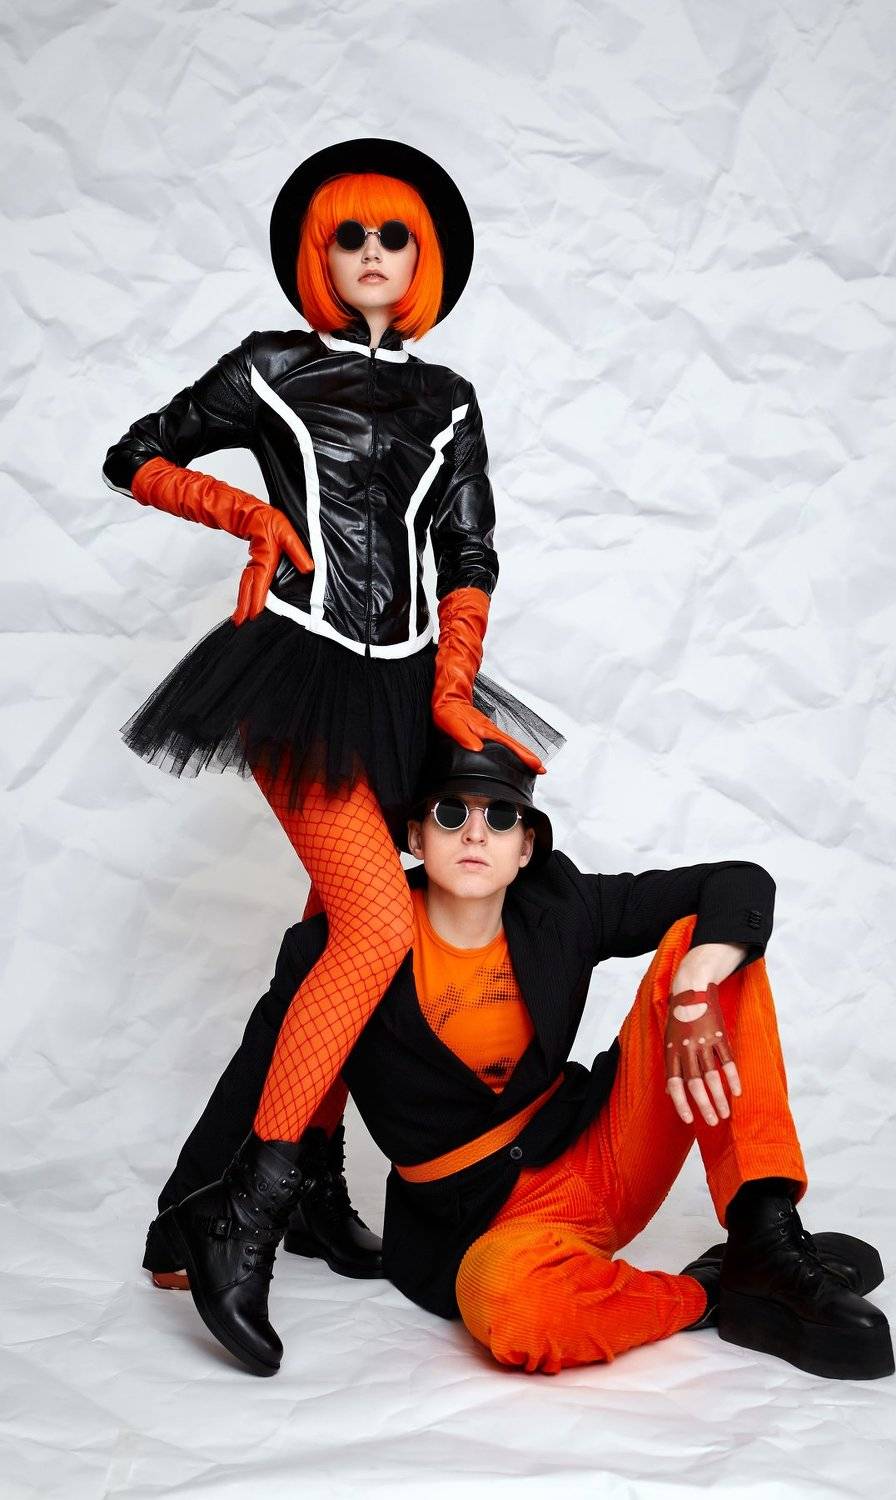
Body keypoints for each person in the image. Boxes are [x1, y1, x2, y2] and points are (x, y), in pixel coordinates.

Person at [103, 139, 564, 1278]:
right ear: (320, 252)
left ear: (422, 258)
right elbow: (135, 454)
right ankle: (239, 1218)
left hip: (407, 687)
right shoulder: (271, 368)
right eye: (348, 234)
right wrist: (248, 517)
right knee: (374, 928)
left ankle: (292, 1184)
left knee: (323, 947)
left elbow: (468, 551)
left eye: (392, 235)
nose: (370, 252)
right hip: (293, 671)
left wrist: (451, 683)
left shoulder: (448, 400)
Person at [146, 737, 893, 1381]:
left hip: (602, 1153)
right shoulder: (346, 950)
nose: (476, 833)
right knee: (510, 1307)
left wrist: (695, 983)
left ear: (525, 847)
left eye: (500, 818)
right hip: (483, 1229)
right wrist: (180, 1222)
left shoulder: (561, 904)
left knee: (714, 945)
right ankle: (716, 1292)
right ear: (414, 836)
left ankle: (763, 1232)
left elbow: (738, 882)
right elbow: (262, 1072)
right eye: (451, 814)